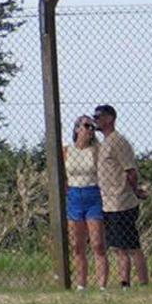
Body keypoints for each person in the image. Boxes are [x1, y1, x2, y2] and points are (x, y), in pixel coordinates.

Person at [92, 104, 146, 284]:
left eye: (99, 116)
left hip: (121, 201)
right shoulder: (103, 144)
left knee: (130, 246)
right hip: (108, 202)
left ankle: (139, 282)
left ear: (110, 118)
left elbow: (130, 171)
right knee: (117, 247)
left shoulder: (118, 142)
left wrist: (135, 190)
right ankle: (126, 282)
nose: (95, 120)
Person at [60, 116, 103, 284]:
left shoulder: (96, 151)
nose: (90, 130)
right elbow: (63, 175)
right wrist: (67, 192)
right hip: (74, 195)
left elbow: (104, 173)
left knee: (97, 243)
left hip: (93, 193)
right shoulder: (67, 151)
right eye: (86, 126)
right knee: (77, 245)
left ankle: (102, 285)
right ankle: (81, 283)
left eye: (93, 127)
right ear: (77, 129)